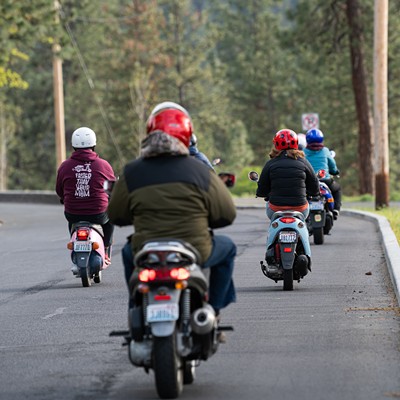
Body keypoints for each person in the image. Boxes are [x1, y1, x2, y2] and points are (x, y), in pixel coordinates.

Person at [107, 101, 237, 315]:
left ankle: (136, 307)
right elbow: (227, 214)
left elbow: (116, 215)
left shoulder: (131, 172)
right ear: (187, 135)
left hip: (146, 250)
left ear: (150, 133)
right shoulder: (201, 170)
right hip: (195, 248)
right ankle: (213, 308)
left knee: (128, 254)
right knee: (228, 247)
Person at [56, 126, 116, 265]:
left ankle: (75, 243)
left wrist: (64, 198)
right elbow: (112, 189)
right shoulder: (103, 165)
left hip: (73, 213)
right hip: (98, 213)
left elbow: (59, 189)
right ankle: (106, 248)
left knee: (72, 223)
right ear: (94, 145)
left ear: (73, 146)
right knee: (110, 218)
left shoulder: (65, 166)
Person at [256, 129, 320, 221]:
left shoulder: (270, 163)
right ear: (296, 144)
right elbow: (314, 183)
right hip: (300, 208)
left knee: (269, 208)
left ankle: (272, 233)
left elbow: (262, 188)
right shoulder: (303, 162)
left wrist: (261, 193)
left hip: (275, 209)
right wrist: (313, 193)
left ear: (276, 144)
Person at [304, 128, 342, 219]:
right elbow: (332, 165)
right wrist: (335, 171)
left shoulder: (303, 152)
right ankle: (336, 209)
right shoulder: (325, 151)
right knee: (337, 189)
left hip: (309, 181)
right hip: (325, 180)